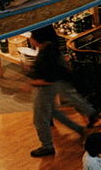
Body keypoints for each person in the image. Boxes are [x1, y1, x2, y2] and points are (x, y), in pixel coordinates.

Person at [29, 25, 97, 158]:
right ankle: (81, 126)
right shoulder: (52, 49)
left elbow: (47, 78)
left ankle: (47, 146)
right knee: (54, 111)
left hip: (45, 89)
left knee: (40, 117)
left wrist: (32, 82)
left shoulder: (45, 54)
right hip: (55, 84)